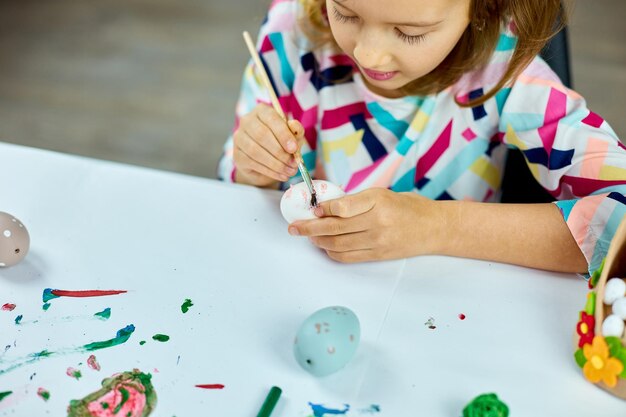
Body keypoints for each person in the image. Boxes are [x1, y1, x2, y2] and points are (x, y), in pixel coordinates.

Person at [218, 0, 626, 276]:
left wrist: (437, 226)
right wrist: (253, 163)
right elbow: (231, 184)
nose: (368, 55)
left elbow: (619, 216)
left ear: (482, 8)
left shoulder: (506, 76)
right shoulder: (293, 33)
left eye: (410, 33)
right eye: (345, 13)